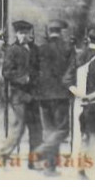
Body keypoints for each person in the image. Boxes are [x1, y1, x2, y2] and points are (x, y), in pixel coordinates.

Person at [63, 25, 95, 177]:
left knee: (82, 135)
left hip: (80, 103)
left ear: (88, 40)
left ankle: (80, 169)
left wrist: (79, 94)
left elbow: (66, 80)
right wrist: (90, 96)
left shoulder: (79, 56)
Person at [0, 20, 42, 169]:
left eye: (27, 33)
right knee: (19, 128)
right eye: (21, 33)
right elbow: (6, 72)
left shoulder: (35, 49)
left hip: (33, 95)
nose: (24, 36)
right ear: (16, 34)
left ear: (30, 33)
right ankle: (3, 155)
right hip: (19, 96)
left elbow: (39, 68)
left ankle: (33, 161)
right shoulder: (12, 50)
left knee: (36, 129)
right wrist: (24, 78)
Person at [35, 19, 74, 175]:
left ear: (48, 32)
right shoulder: (68, 48)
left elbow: (34, 71)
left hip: (43, 95)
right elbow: (73, 71)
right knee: (63, 130)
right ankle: (42, 151)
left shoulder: (40, 49)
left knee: (49, 130)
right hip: (61, 95)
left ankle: (50, 168)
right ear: (61, 32)